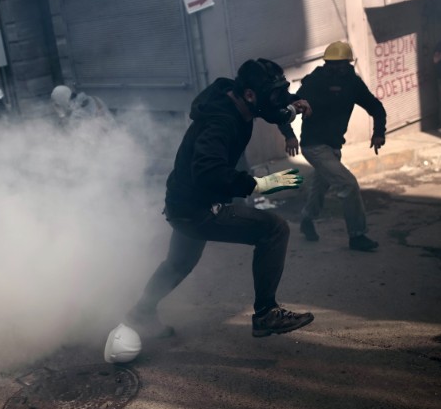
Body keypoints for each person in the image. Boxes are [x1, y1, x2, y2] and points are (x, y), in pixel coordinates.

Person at [123, 58, 315, 341]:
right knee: (274, 229)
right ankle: (265, 314)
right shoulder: (221, 122)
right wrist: (259, 184)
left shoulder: (235, 95)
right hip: (197, 208)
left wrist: (295, 100)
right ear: (250, 95)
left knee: (178, 264)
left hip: (182, 202)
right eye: (272, 94)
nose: (278, 101)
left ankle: (140, 313)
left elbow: (271, 106)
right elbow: (208, 172)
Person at [280, 41, 386, 252]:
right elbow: (288, 109)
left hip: (333, 146)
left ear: (348, 65)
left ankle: (306, 220)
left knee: (320, 187)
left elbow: (375, 106)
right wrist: (289, 135)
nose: (336, 69)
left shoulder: (352, 83)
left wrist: (379, 132)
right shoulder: (315, 81)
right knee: (348, 184)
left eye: (340, 64)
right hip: (314, 145)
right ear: (327, 64)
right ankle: (357, 236)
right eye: (332, 64)